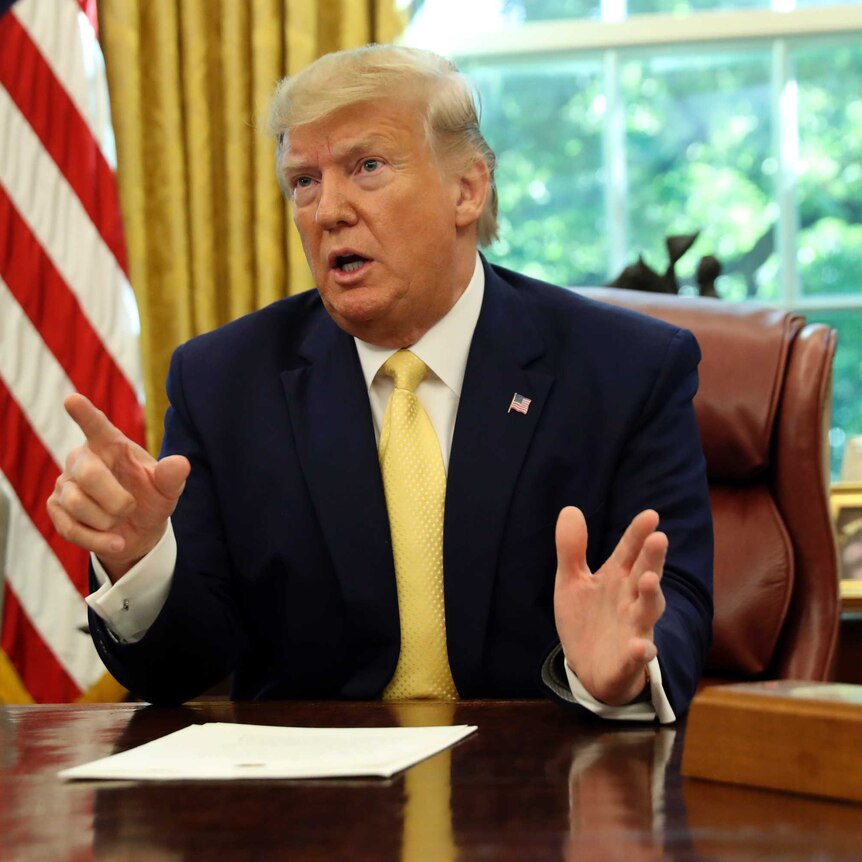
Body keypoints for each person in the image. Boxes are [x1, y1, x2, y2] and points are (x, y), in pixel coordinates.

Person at [47, 44, 713, 721]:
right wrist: (141, 565)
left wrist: (621, 672)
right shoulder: (223, 382)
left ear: (468, 189)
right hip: (310, 801)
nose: (327, 209)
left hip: (543, 788)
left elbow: (675, 591)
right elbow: (184, 668)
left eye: (367, 167)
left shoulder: (625, 369)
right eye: (304, 180)